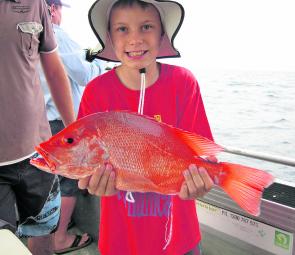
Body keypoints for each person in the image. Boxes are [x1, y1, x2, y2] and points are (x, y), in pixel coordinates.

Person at [77, 0, 215, 254]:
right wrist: (91, 182)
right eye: (122, 29)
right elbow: (86, 161)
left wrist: (202, 179)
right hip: (120, 241)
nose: (135, 39)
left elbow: (204, 152)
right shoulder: (96, 92)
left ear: (162, 34)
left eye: (146, 27)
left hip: (179, 239)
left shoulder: (183, 83)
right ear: (109, 37)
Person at [0, 0, 75, 254]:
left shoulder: (35, 4)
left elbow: (54, 71)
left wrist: (74, 133)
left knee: (43, 238)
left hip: (39, 155)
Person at [40, 0, 105, 253]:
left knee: (44, 181)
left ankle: (43, 235)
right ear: (53, 10)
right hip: (61, 125)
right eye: (59, 10)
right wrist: (99, 61)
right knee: (68, 183)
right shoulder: (56, 34)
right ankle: (60, 238)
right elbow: (85, 75)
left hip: (39, 122)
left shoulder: (26, 38)